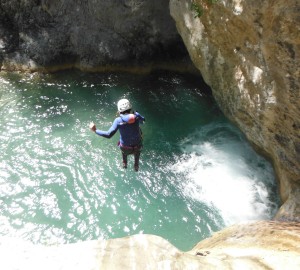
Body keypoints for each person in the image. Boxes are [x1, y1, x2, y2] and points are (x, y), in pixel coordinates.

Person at [90, 98, 145, 171]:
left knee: (124, 154)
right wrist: (138, 116)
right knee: (137, 155)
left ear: (119, 110)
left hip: (125, 147)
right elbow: (143, 121)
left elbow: (108, 134)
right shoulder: (136, 116)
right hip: (137, 146)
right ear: (130, 108)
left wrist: (95, 130)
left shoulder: (118, 120)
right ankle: (136, 167)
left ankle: (124, 164)